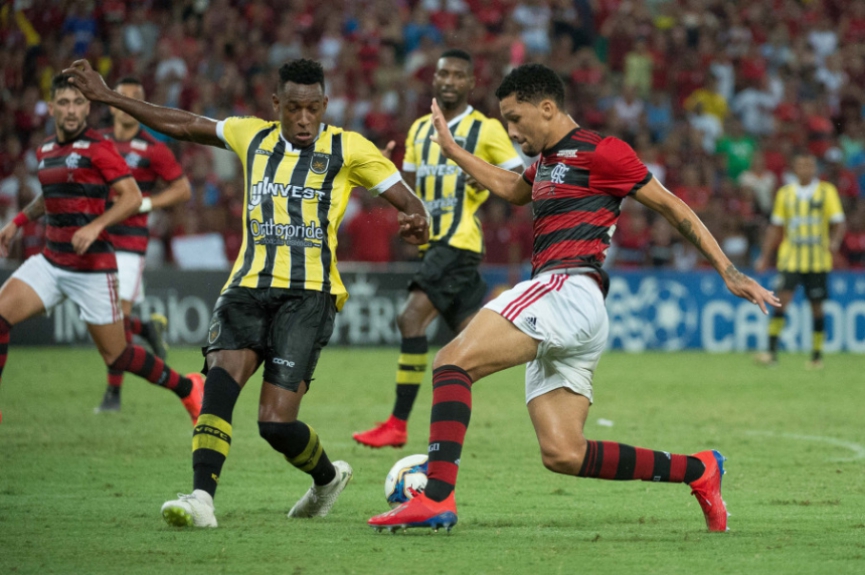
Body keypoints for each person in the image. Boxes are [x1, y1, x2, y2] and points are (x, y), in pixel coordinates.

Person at [369, 64, 779, 533]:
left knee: (450, 363)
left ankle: (437, 496)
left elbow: (670, 205)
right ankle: (700, 469)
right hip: (574, 309)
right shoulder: (544, 162)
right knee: (564, 453)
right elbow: (509, 188)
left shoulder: (603, 152)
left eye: (516, 118)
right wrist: (453, 149)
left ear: (547, 107)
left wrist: (728, 270)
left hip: (567, 288)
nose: (511, 130)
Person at [64, 58, 429, 528]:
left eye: (312, 108)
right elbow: (184, 123)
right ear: (276, 104)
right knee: (220, 382)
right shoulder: (250, 135)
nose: (302, 119)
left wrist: (416, 221)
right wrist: (111, 96)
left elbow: (410, 203)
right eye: (293, 108)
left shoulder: (350, 148)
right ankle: (201, 499)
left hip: (309, 296)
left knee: (275, 424)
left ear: (324, 105)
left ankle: (326, 478)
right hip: (247, 287)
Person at [0, 74, 203, 426]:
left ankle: (187, 387)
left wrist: (95, 226)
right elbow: (48, 196)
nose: (72, 110)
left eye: (79, 103)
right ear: (51, 108)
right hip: (51, 262)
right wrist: (17, 221)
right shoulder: (46, 150)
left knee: (118, 355)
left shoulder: (99, 147)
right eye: (64, 103)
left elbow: (132, 196)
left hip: (93, 269)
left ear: (89, 107)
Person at [352, 49, 523, 449]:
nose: (448, 80)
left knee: (411, 321)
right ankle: (540, 345)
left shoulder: (486, 130)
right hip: (433, 247)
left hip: (458, 240)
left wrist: (490, 179)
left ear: (470, 83)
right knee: (471, 336)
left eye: (457, 75)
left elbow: (519, 177)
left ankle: (397, 423)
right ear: (434, 79)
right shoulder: (417, 131)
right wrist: (375, 170)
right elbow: (404, 191)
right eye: (442, 73)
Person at [96, 77, 193, 413]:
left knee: (115, 318)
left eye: (138, 98)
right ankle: (145, 327)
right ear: (111, 105)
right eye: (125, 98)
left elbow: (182, 189)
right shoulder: (98, 142)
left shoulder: (153, 147)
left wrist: (147, 204)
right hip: (96, 238)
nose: (131, 103)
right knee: (100, 318)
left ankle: (113, 395)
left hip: (129, 244)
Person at [754, 152, 846, 369]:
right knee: (781, 302)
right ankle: (771, 353)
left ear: (815, 168)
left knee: (817, 307)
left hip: (818, 260)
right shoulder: (785, 194)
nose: (805, 169)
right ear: (794, 169)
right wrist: (765, 256)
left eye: (809, 165)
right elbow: (775, 228)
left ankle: (816, 356)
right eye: (801, 165)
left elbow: (839, 222)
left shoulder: (827, 191)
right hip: (791, 259)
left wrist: (834, 242)